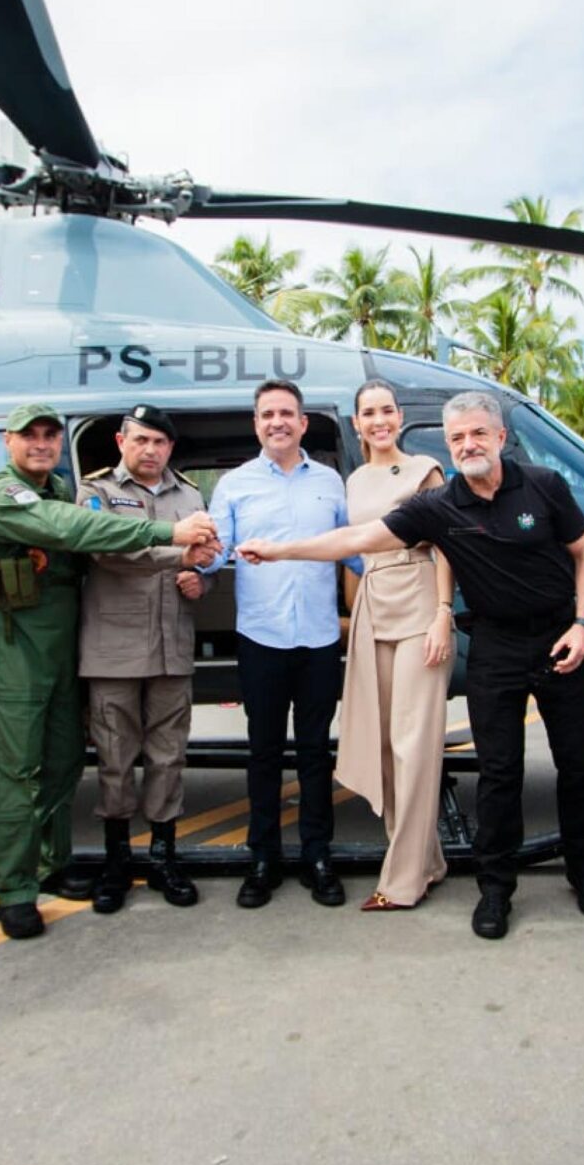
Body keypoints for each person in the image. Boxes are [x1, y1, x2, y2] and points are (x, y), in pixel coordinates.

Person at [238, 390, 584, 941]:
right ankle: (495, 891)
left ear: (500, 438)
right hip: (495, 648)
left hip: (560, 640)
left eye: (478, 434)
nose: (468, 445)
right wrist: (279, 550)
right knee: (500, 775)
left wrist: (583, 626)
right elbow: (360, 538)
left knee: (578, 768)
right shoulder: (440, 506)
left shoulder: (544, 486)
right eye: (457, 437)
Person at [0, 402, 216, 940]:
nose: (40, 444)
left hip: (84, 644)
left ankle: (56, 867)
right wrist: (174, 544)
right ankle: (21, 888)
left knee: (64, 761)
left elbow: (206, 559)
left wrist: (203, 573)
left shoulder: (64, 488)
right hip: (26, 644)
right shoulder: (41, 495)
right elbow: (90, 537)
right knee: (28, 767)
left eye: (49, 435)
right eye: (28, 435)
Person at [208, 379, 353, 910]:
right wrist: (193, 567)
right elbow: (215, 550)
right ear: (256, 423)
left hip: (317, 638)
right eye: (268, 414)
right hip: (261, 637)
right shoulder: (235, 485)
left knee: (316, 753)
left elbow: (354, 551)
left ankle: (318, 856)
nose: (278, 422)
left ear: (302, 423)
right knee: (264, 753)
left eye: (287, 413)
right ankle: (262, 858)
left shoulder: (331, 483)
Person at [77, 404, 214, 913]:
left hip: (171, 647)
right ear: (120, 443)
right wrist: (179, 554)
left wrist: (203, 579)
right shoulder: (96, 493)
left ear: (171, 448)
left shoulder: (191, 495)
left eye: (159, 442)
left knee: (167, 758)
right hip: (113, 651)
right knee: (115, 760)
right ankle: (117, 861)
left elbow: (208, 555)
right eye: (141, 441)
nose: (151, 450)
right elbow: (106, 551)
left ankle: (162, 856)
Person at [336, 380, 454, 911]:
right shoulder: (355, 480)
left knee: (414, 745)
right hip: (372, 606)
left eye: (387, 410)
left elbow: (447, 544)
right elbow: (355, 552)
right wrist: (349, 616)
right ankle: (427, 860)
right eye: (368, 413)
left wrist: (443, 616)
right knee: (382, 744)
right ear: (356, 423)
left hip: (419, 600)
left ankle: (403, 880)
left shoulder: (425, 470)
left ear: (400, 417)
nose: (379, 420)